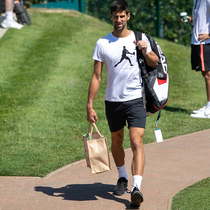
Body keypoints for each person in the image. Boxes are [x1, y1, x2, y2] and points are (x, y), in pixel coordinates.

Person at [86, 0, 159, 207]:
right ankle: (122, 176)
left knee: (137, 142)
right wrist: (90, 105)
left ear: (128, 16)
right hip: (113, 101)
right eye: (115, 16)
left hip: (136, 99)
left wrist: (145, 50)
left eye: (122, 16)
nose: (118, 20)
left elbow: (155, 62)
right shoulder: (102, 43)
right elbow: (97, 76)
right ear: (111, 17)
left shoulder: (140, 38)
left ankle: (136, 187)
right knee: (116, 141)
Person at [181, 0, 210, 118]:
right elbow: (202, 19)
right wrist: (191, 20)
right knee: (205, 73)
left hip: (205, 42)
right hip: (197, 41)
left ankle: (209, 109)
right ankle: (208, 106)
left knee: (208, 74)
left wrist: (209, 35)